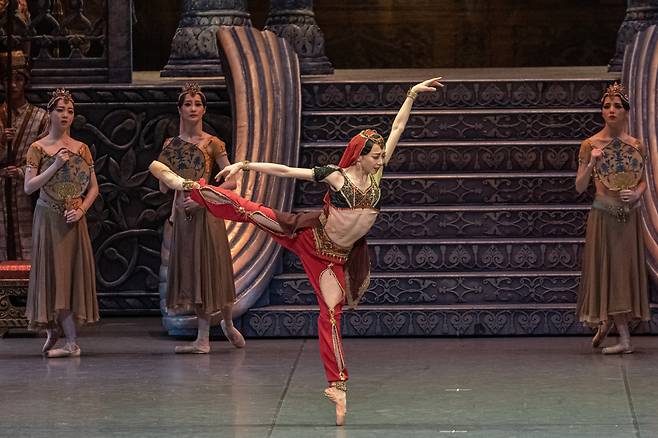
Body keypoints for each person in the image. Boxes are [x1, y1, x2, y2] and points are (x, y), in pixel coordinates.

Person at [150, 77, 443, 425]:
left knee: (331, 316)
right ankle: (187, 185)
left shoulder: (375, 176)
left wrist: (410, 95)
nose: (381, 160)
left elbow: (397, 128)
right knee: (251, 211)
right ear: (360, 156)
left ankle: (337, 385)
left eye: (382, 156)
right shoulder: (337, 177)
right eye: (376, 156)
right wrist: (246, 166)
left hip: (332, 258)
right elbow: (288, 171)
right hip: (307, 236)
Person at [156, 82, 245, 354]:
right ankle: (203, 338)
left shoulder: (212, 143)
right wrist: (173, 181)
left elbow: (232, 181)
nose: (193, 109)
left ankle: (227, 322)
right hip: (184, 215)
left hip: (207, 212)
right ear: (179, 109)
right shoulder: (171, 145)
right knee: (193, 270)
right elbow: (163, 183)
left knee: (214, 268)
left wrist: (202, 194)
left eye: (197, 104)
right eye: (187, 104)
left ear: (204, 109)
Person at [23, 88, 99, 357]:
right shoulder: (38, 148)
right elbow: (29, 187)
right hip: (47, 216)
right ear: (50, 113)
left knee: (67, 274)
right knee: (51, 272)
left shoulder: (82, 148)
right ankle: (55, 328)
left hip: (72, 219)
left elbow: (93, 188)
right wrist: (53, 166)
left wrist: (82, 211)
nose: (65, 115)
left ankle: (71, 342)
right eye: (60, 110)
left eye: (70, 110)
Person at [575, 82, 650, 354]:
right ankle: (618, 332)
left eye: (617, 106)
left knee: (621, 271)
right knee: (607, 269)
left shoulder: (636, 145)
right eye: (607, 106)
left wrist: (638, 194)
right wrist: (593, 163)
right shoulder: (590, 145)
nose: (611, 110)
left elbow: (643, 181)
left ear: (626, 111)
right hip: (604, 214)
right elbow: (580, 186)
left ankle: (617, 332)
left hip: (627, 215)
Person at [0, 50, 48, 260]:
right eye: (8, 80)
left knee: (29, 246)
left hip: (26, 188)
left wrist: (21, 172)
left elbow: (47, 157)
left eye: (18, 80)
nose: (13, 86)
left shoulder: (40, 117)